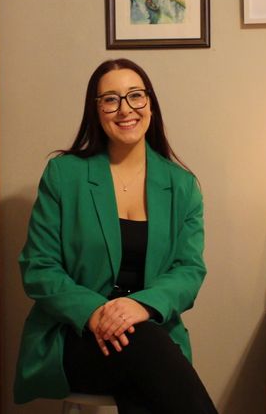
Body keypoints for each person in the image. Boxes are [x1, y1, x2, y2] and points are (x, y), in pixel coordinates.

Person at [14, 58, 217, 413]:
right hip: (76, 337)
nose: (125, 109)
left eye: (135, 96)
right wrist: (96, 312)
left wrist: (138, 307)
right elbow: (38, 267)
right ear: (96, 110)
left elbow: (189, 271)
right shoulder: (65, 175)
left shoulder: (182, 186)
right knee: (147, 355)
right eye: (111, 99)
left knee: (144, 363)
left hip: (149, 335)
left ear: (150, 104)